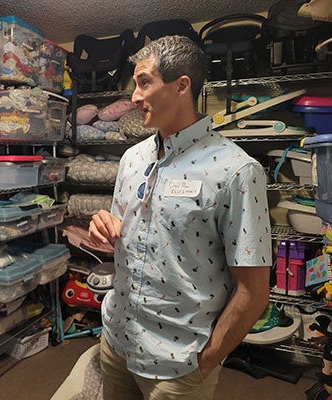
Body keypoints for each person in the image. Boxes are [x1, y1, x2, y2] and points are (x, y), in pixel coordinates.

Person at [88, 35, 272, 399]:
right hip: (117, 341)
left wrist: (206, 362)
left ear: (181, 86)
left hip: (179, 363)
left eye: (144, 83)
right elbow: (121, 236)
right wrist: (101, 226)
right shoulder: (132, 159)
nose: (134, 97)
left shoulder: (236, 172)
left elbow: (254, 292)